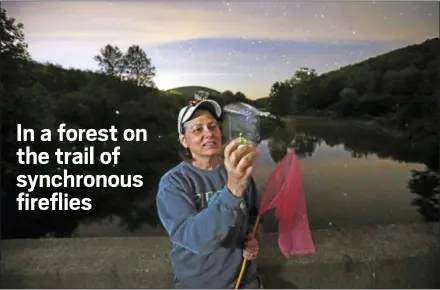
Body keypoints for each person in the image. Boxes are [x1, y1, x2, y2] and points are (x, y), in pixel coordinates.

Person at [156, 98, 263, 289]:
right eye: (198, 129)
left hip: (245, 281)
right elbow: (196, 240)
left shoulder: (236, 170)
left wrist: (253, 239)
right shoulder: (173, 183)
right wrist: (233, 190)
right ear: (183, 140)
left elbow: (255, 215)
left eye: (213, 126)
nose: (209, 134)